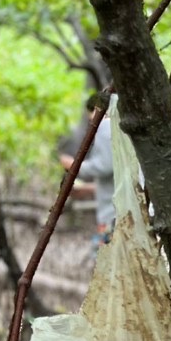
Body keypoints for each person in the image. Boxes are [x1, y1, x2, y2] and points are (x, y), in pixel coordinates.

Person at [59, 94, 114, 248]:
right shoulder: (117, 128)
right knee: (106, 248)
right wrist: (88, 189)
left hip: (112, 213)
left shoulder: (105, 126)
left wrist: (74, 166)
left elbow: (105, 165)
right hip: (117, 208)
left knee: (101, 249)